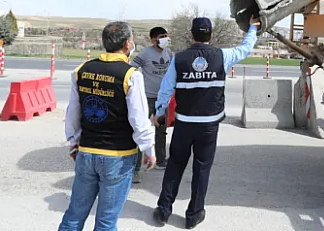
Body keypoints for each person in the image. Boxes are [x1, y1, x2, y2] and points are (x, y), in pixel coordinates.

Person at [151, 15, 260, 229]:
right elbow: (246, 49)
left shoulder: (179, 59)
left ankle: (164, 210)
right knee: (202, 169)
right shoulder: (223, 56)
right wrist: (252, 29)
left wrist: (159, 112)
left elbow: (165, 89)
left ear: (192, 35)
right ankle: (194, 215)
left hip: (184, 124)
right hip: (209, 126)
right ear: (210, 35)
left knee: (175, 165)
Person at [59, 21, 157, 231]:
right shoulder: (131, 75)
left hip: (87, 152)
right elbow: (139, 121)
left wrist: (73, 142)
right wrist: (149, 150)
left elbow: (73, 113)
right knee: (106, 222)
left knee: (73, 217)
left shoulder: (82, 70)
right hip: (118, 156)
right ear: (128, 44)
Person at [130, 26, 174, 182]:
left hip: (163, 99)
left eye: (166, 36)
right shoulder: (145, 54)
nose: (165, 39)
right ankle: (135, 169)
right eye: (162, 36)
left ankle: (161, 161)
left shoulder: (169, 53)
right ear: (153, 39)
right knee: (140, 131)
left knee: (161, 131)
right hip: (146, 98)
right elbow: (131, 69)